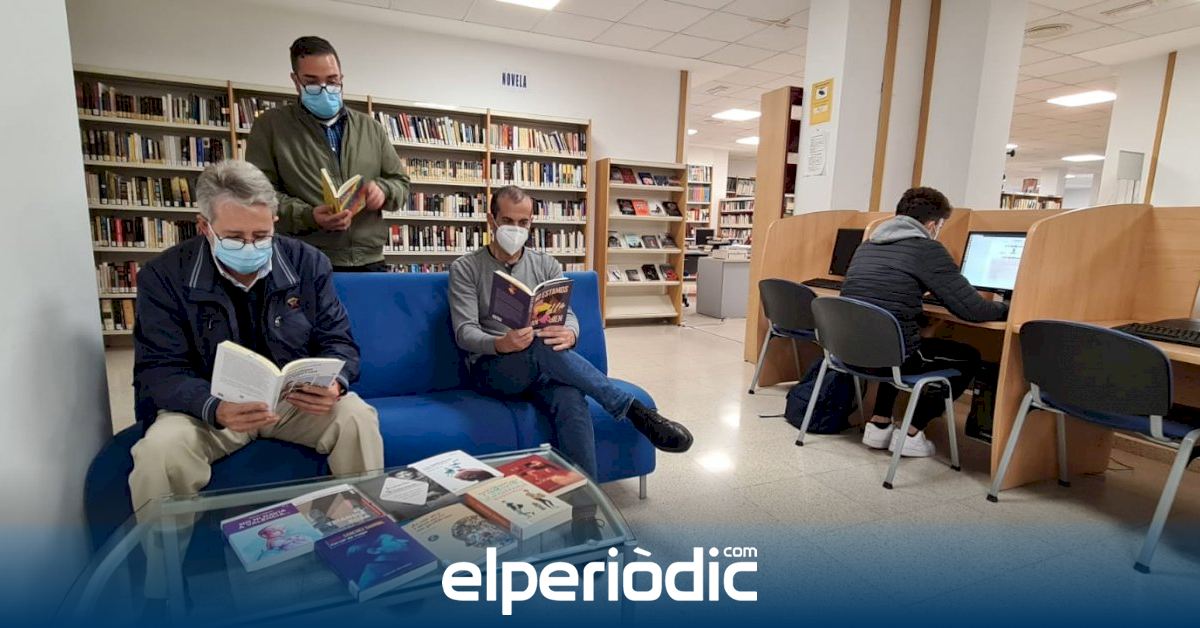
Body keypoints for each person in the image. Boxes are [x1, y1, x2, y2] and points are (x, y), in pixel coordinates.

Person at [129, 159, 384, 517]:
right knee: (158, 453)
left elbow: (339, 341)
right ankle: (164, 555)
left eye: (262, 236)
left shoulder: (308, 263)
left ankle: (366, 532)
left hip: (291, 403)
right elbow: (159, 370)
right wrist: (213, 406)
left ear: (275, 222)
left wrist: (335, 383)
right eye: (235, 237)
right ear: (204, 227)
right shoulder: (163, 276)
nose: (250, 246)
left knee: (356, 417)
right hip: (209, 408)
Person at [448, 186, 693, 478]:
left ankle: (586, 500)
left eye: (523, 222)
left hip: (543, 370)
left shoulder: (546, 264)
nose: (516, 229)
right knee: (538, 345)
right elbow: (465, 332)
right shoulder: (466, 268)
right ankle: (632, 410)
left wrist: (571, 334)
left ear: (531, 223)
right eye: (508, 221)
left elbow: (569, 316)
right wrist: (501, 343)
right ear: (492, 220)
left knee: (571, 397)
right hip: (493, 370)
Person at [840, 187, 1008, 457]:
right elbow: (973, 310)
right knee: (969, 358)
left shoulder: (868, 245)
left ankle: (879, 424)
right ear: (932, 225)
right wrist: (1007, 308)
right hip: (891, 354)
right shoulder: (927, 249)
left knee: (897, 340)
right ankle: (911, 432)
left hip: (849, 351)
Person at [245, 35, 409, 271]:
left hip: (368, 260)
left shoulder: (370, 128)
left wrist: (384, 191)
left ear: (341, 78)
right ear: (296, 81)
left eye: (332, 81)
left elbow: (401, 183)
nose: (324, 89)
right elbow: (258, 195)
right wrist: (309, 216)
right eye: (312, 82)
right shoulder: (271, 126)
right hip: (304, 259)